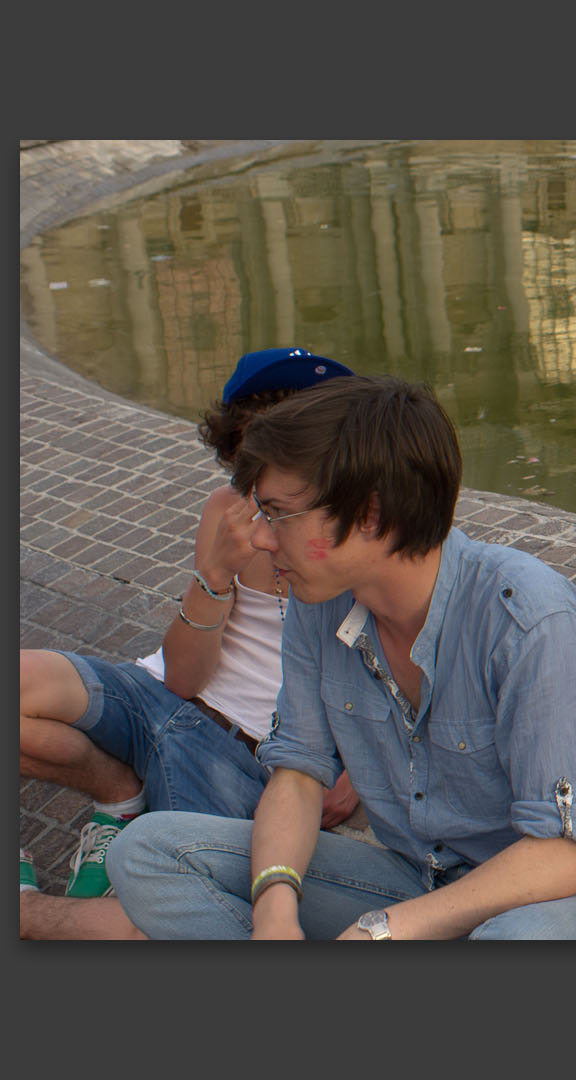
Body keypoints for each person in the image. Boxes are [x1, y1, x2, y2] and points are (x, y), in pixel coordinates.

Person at [107, 375, 576, 939]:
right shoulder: (318, 601)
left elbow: (564, 855)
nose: (261, 540)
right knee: (147, 852)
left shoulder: (529, 618)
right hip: (418, 880)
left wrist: (381, 930)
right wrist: (274, 908)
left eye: (277, 514)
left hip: (557, 898)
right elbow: (299, 773)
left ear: (369, 516)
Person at [19, 348, 361, 939]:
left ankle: (26, 916)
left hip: (241, 754)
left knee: (169, 914)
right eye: (266, 442)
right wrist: (215, 575)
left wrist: (354, 770)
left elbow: (402, 666)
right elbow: (182, 677)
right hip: (157, 699)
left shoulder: (356, 533)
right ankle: (118, 795)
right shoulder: (227, 513)